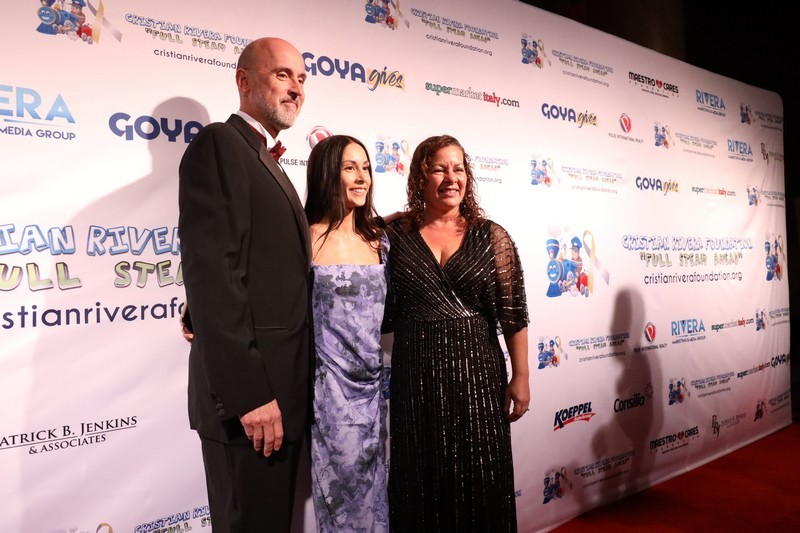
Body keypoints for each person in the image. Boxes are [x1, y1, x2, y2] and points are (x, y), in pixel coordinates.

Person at [177, 37, 310, 532]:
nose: (295, 88)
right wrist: (249, 394)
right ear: (244, 81)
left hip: (280, 396)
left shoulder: (264, 158)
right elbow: (212, 270)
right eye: (282, 74)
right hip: (251, 405)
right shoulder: (220, 144)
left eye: (301, 79)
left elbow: (255, 266)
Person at [384, 134, 530, 532]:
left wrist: (521, 376)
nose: (451, 178)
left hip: (477, 376)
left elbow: (513, 314)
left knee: (481, 478)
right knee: (421, 476)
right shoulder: (395, 236)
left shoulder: (492, 236)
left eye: (459, 169)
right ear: (420, 178)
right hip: (416, 377)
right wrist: (379, 225)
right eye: (439, 169)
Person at [304, 134, 390, 532]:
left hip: (375, 391)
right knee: (341, 500)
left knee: (376, 495)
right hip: (330, 395)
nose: (362, 178)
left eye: (366, 168)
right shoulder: (304, 237)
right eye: (349, 168)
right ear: (327, 174)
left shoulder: (380, 240)